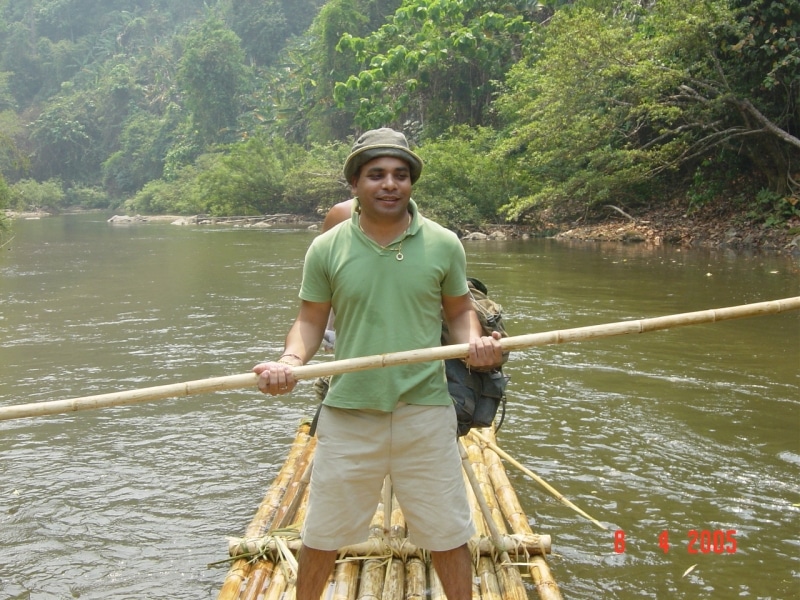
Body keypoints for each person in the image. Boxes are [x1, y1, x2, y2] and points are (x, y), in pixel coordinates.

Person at [252, 128, 503, 600]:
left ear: (411, 183)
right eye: (377, 175)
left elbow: (459, 311)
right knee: (322, 535)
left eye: (400, 175)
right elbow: (310, 321)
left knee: (449, 532)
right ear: (354, 184)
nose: (390, 184)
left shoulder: (444, 243)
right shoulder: (327, 248)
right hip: (351, 412)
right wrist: (288, 360)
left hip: (425, 410)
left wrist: (476, 345)